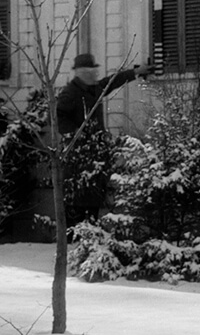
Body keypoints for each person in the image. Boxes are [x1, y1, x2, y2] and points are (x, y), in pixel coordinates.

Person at [52, 52, 148, 223]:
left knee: (94, 200)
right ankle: (75, 241)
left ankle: (90, 237)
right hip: (78, 159)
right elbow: (58, 117)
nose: (93, 74)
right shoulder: (70, 93)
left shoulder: (94, 89)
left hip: (96, 156)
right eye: (89, 71)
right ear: (80, 73)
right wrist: (75, 132)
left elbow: (112, 81)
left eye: (94, 71)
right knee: (78, 205)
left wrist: (135, 72)